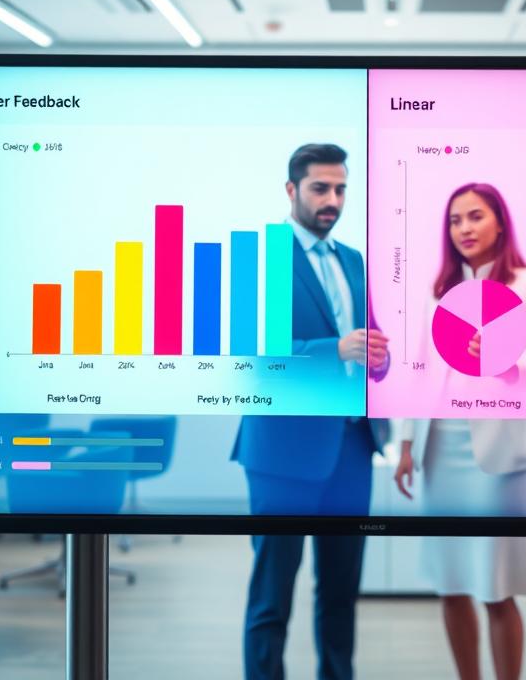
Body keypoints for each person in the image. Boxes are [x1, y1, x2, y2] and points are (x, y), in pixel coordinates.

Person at [231, 143, 390, 680]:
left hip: (352, 446)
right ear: (291, 190)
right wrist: (335, 351)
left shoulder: (353, 260)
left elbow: (366, 349)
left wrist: (379, 359)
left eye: (341, 188)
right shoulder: (262, 257)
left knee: (341, 591)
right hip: (282, 453)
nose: (333, 200)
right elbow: (252, 357)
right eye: (321, 188)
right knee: (273, 593)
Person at [394, 182, 526, 680]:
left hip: (499, 457)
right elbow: (418, 372)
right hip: (441, 448)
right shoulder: (435, 292)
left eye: (474, 217)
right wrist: (405, 444)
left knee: (497, 586)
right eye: (454, 220)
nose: (464, 228)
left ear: (500, 222)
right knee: (451, 583)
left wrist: (508, 367)